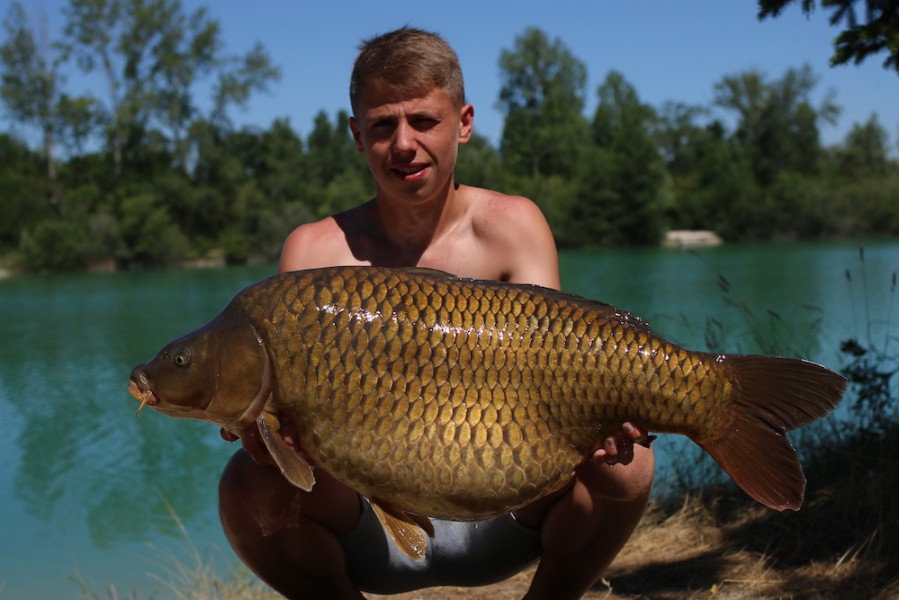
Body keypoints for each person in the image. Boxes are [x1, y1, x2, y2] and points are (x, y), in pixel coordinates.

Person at [218, 27, 655, 599]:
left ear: (464, 123)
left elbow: (555, 376)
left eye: (424, 121)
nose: (403, 144)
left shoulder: (512, 226)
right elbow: (290, 430)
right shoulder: (315, 253)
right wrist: (270, 439)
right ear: (356, 135)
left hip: (507, 502)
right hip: (369, 523)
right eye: (382, 125)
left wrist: (599, 420)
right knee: (244, 485)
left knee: (630, 467)